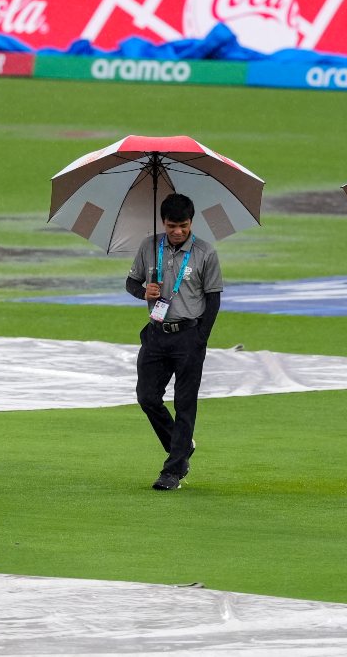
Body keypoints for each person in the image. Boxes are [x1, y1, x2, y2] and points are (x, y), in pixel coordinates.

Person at [125, 194, 224, 491]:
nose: (177, 231)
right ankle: (181, 447)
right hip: (156, 333)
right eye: (171, 226)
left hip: (188, 335)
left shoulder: (205, 253)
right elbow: (131, 282)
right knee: (147, 397)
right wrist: (143, 292)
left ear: (191, 222)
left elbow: (213, 298)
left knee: (184, 403)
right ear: (163, 223)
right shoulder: (149, 246)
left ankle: (172, 471)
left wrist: (200, 338)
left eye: (183, 225)